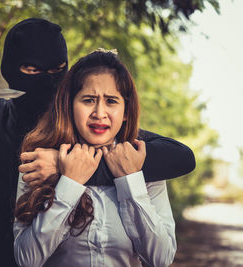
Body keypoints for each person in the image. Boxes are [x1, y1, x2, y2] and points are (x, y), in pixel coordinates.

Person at [0, 18, 192, 267]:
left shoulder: (87, 122)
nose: (46, 81)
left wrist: (66, 167)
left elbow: (180, 157)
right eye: (32, 71)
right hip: (3, 256)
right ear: (12, 69)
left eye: (55, 70)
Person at [14, 49, 176, 267]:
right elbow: (26, 260)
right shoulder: (41, 164)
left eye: (111, 101)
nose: (100, 113)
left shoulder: (142, 164)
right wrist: (69, 183)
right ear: (70, 106)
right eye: (89, 100)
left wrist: (131, 181)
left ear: (126, 111)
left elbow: (161, 259)